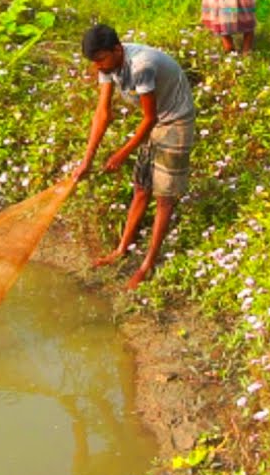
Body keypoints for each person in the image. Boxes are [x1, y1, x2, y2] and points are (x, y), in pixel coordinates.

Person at [72, 24, 198, 290]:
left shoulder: (141, 66)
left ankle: (148, 264)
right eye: (94, 62)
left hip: (175, 121)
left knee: (164, 199)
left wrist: (121, 154)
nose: (97, 68)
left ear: (117, 50)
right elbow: (103, 114)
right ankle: (121, 250)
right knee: (141, 188)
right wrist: (87, 159)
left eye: (100, 60)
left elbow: (149, 118)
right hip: (155, 122)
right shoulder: (108, 67)